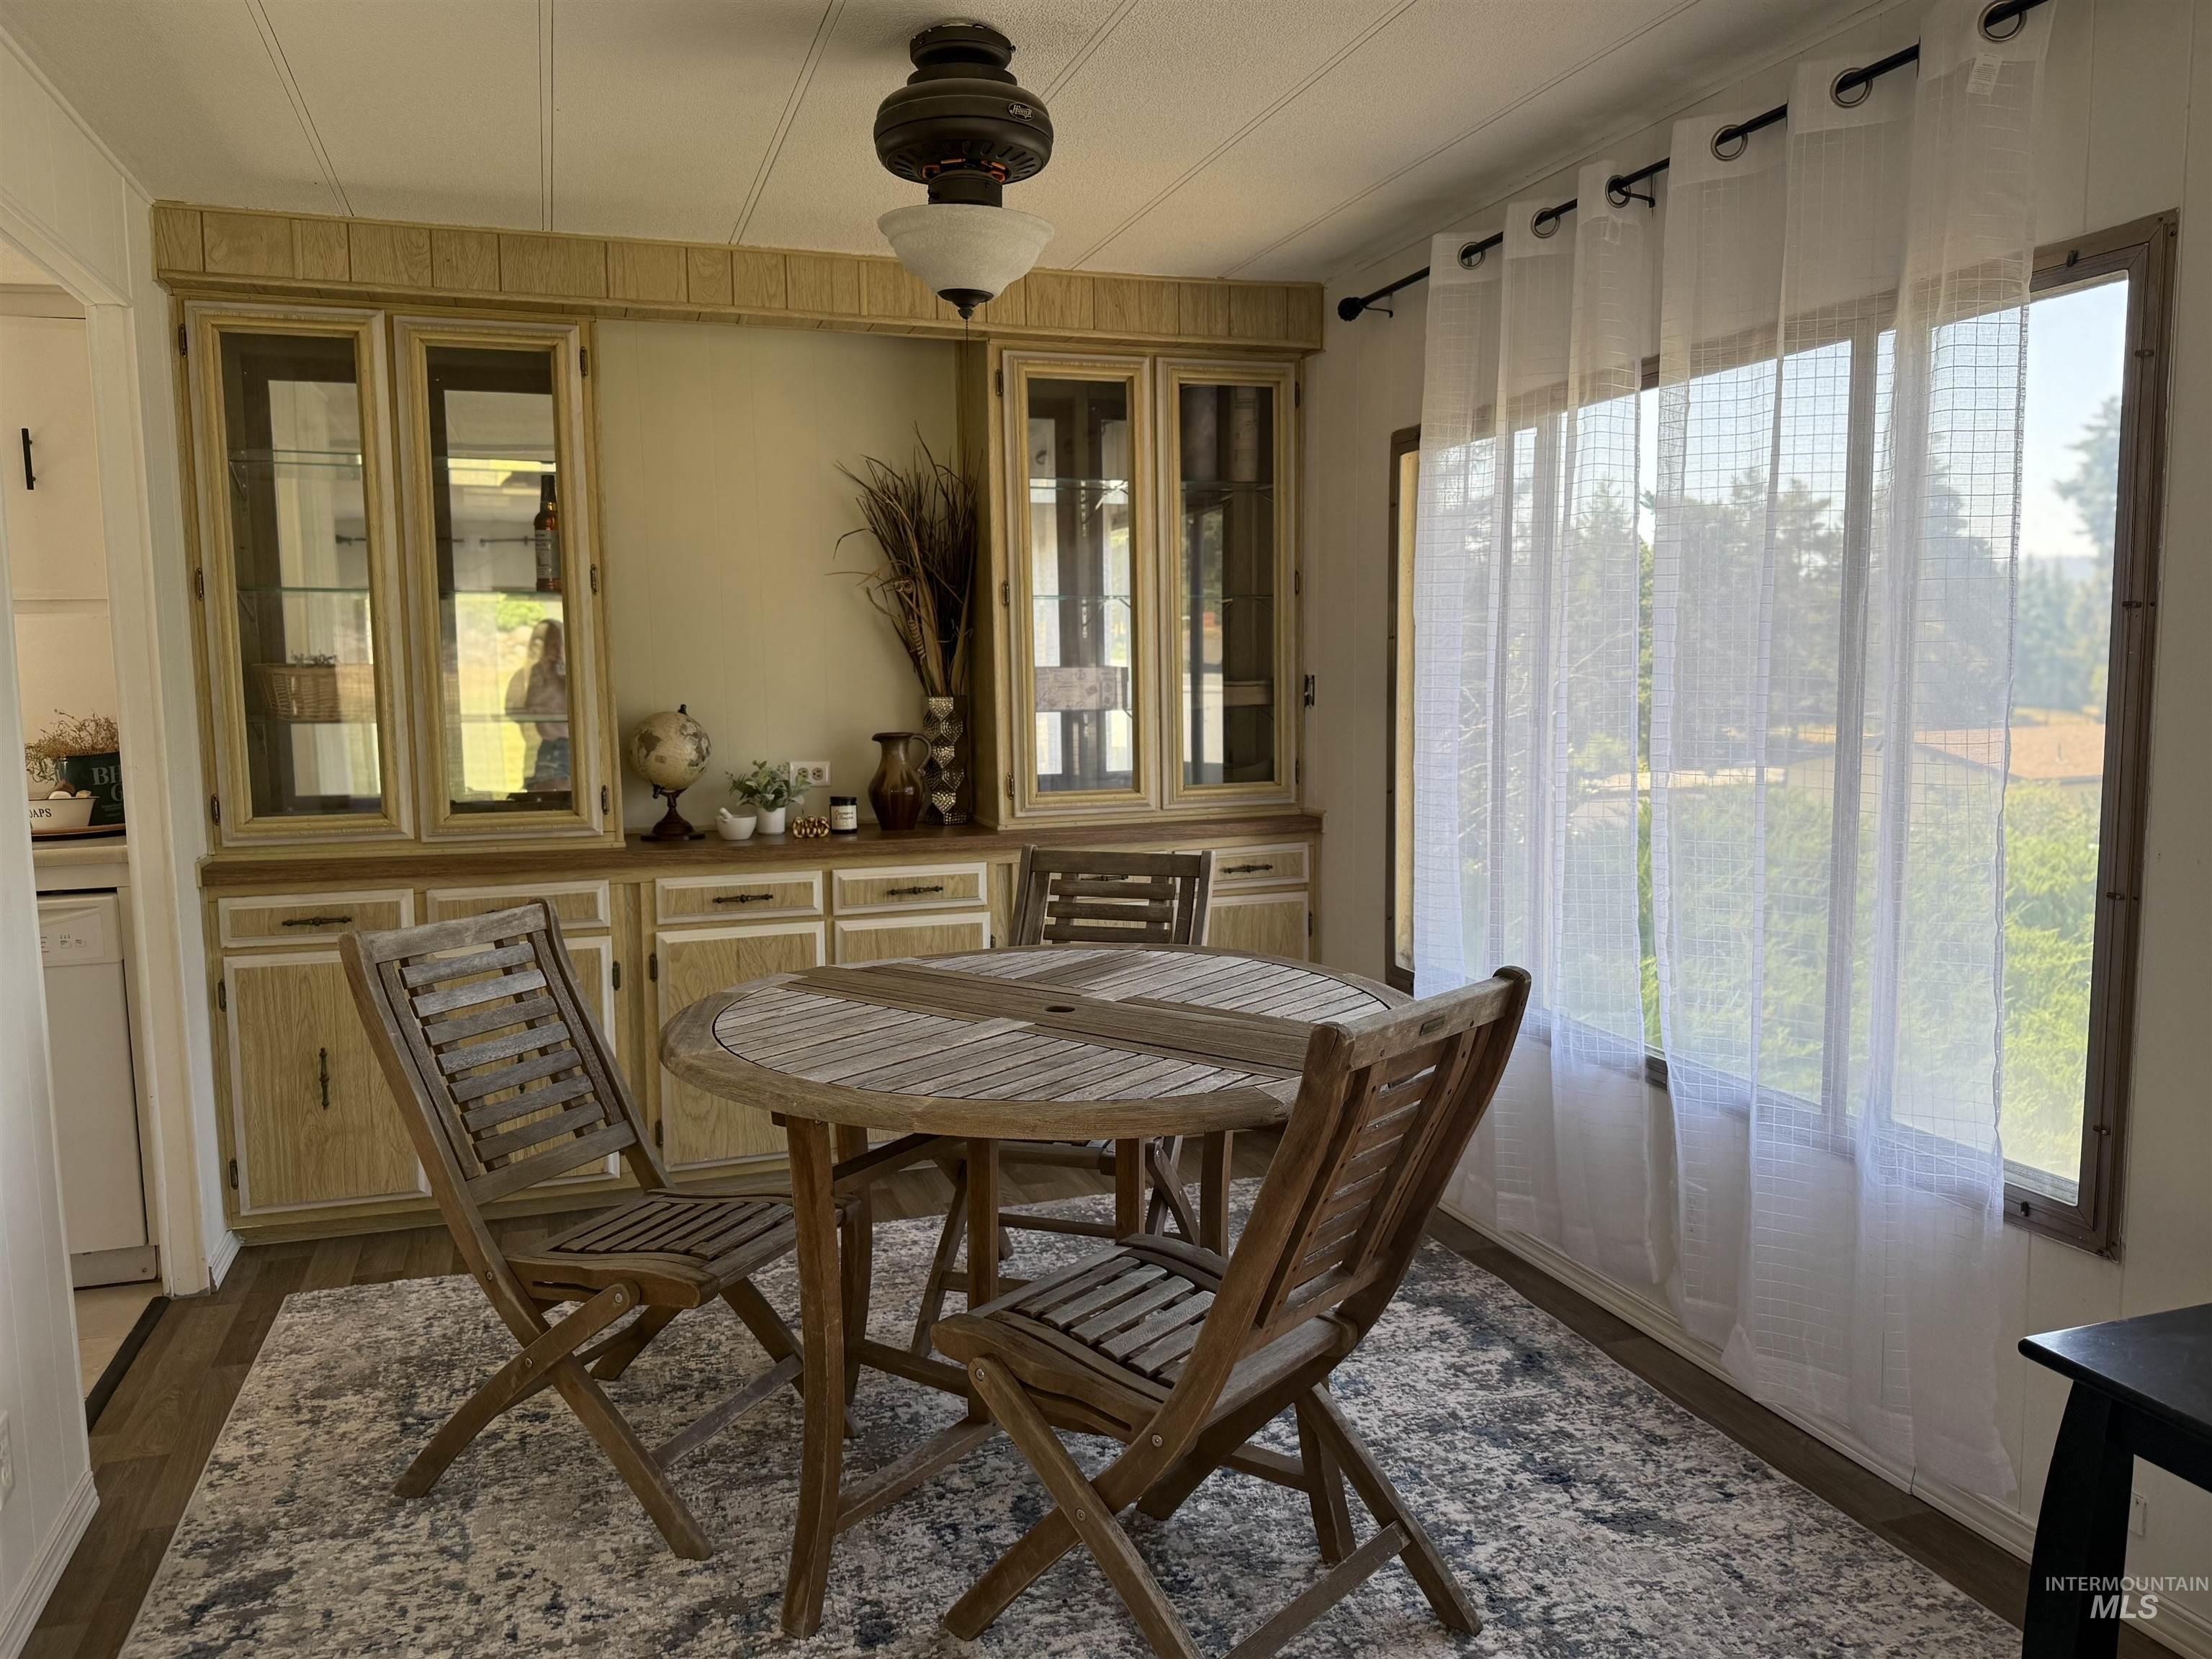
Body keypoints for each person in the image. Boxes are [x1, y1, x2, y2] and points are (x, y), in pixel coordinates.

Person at [505, 617, 570, 795]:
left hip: (569, 746)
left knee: (563, 791)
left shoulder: (570, 675)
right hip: (543, 745)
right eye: (549, 644)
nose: (556, 651)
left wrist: (557, 678)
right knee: (541, 791)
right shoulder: (531, 675)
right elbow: (524, 707)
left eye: (560, 644)